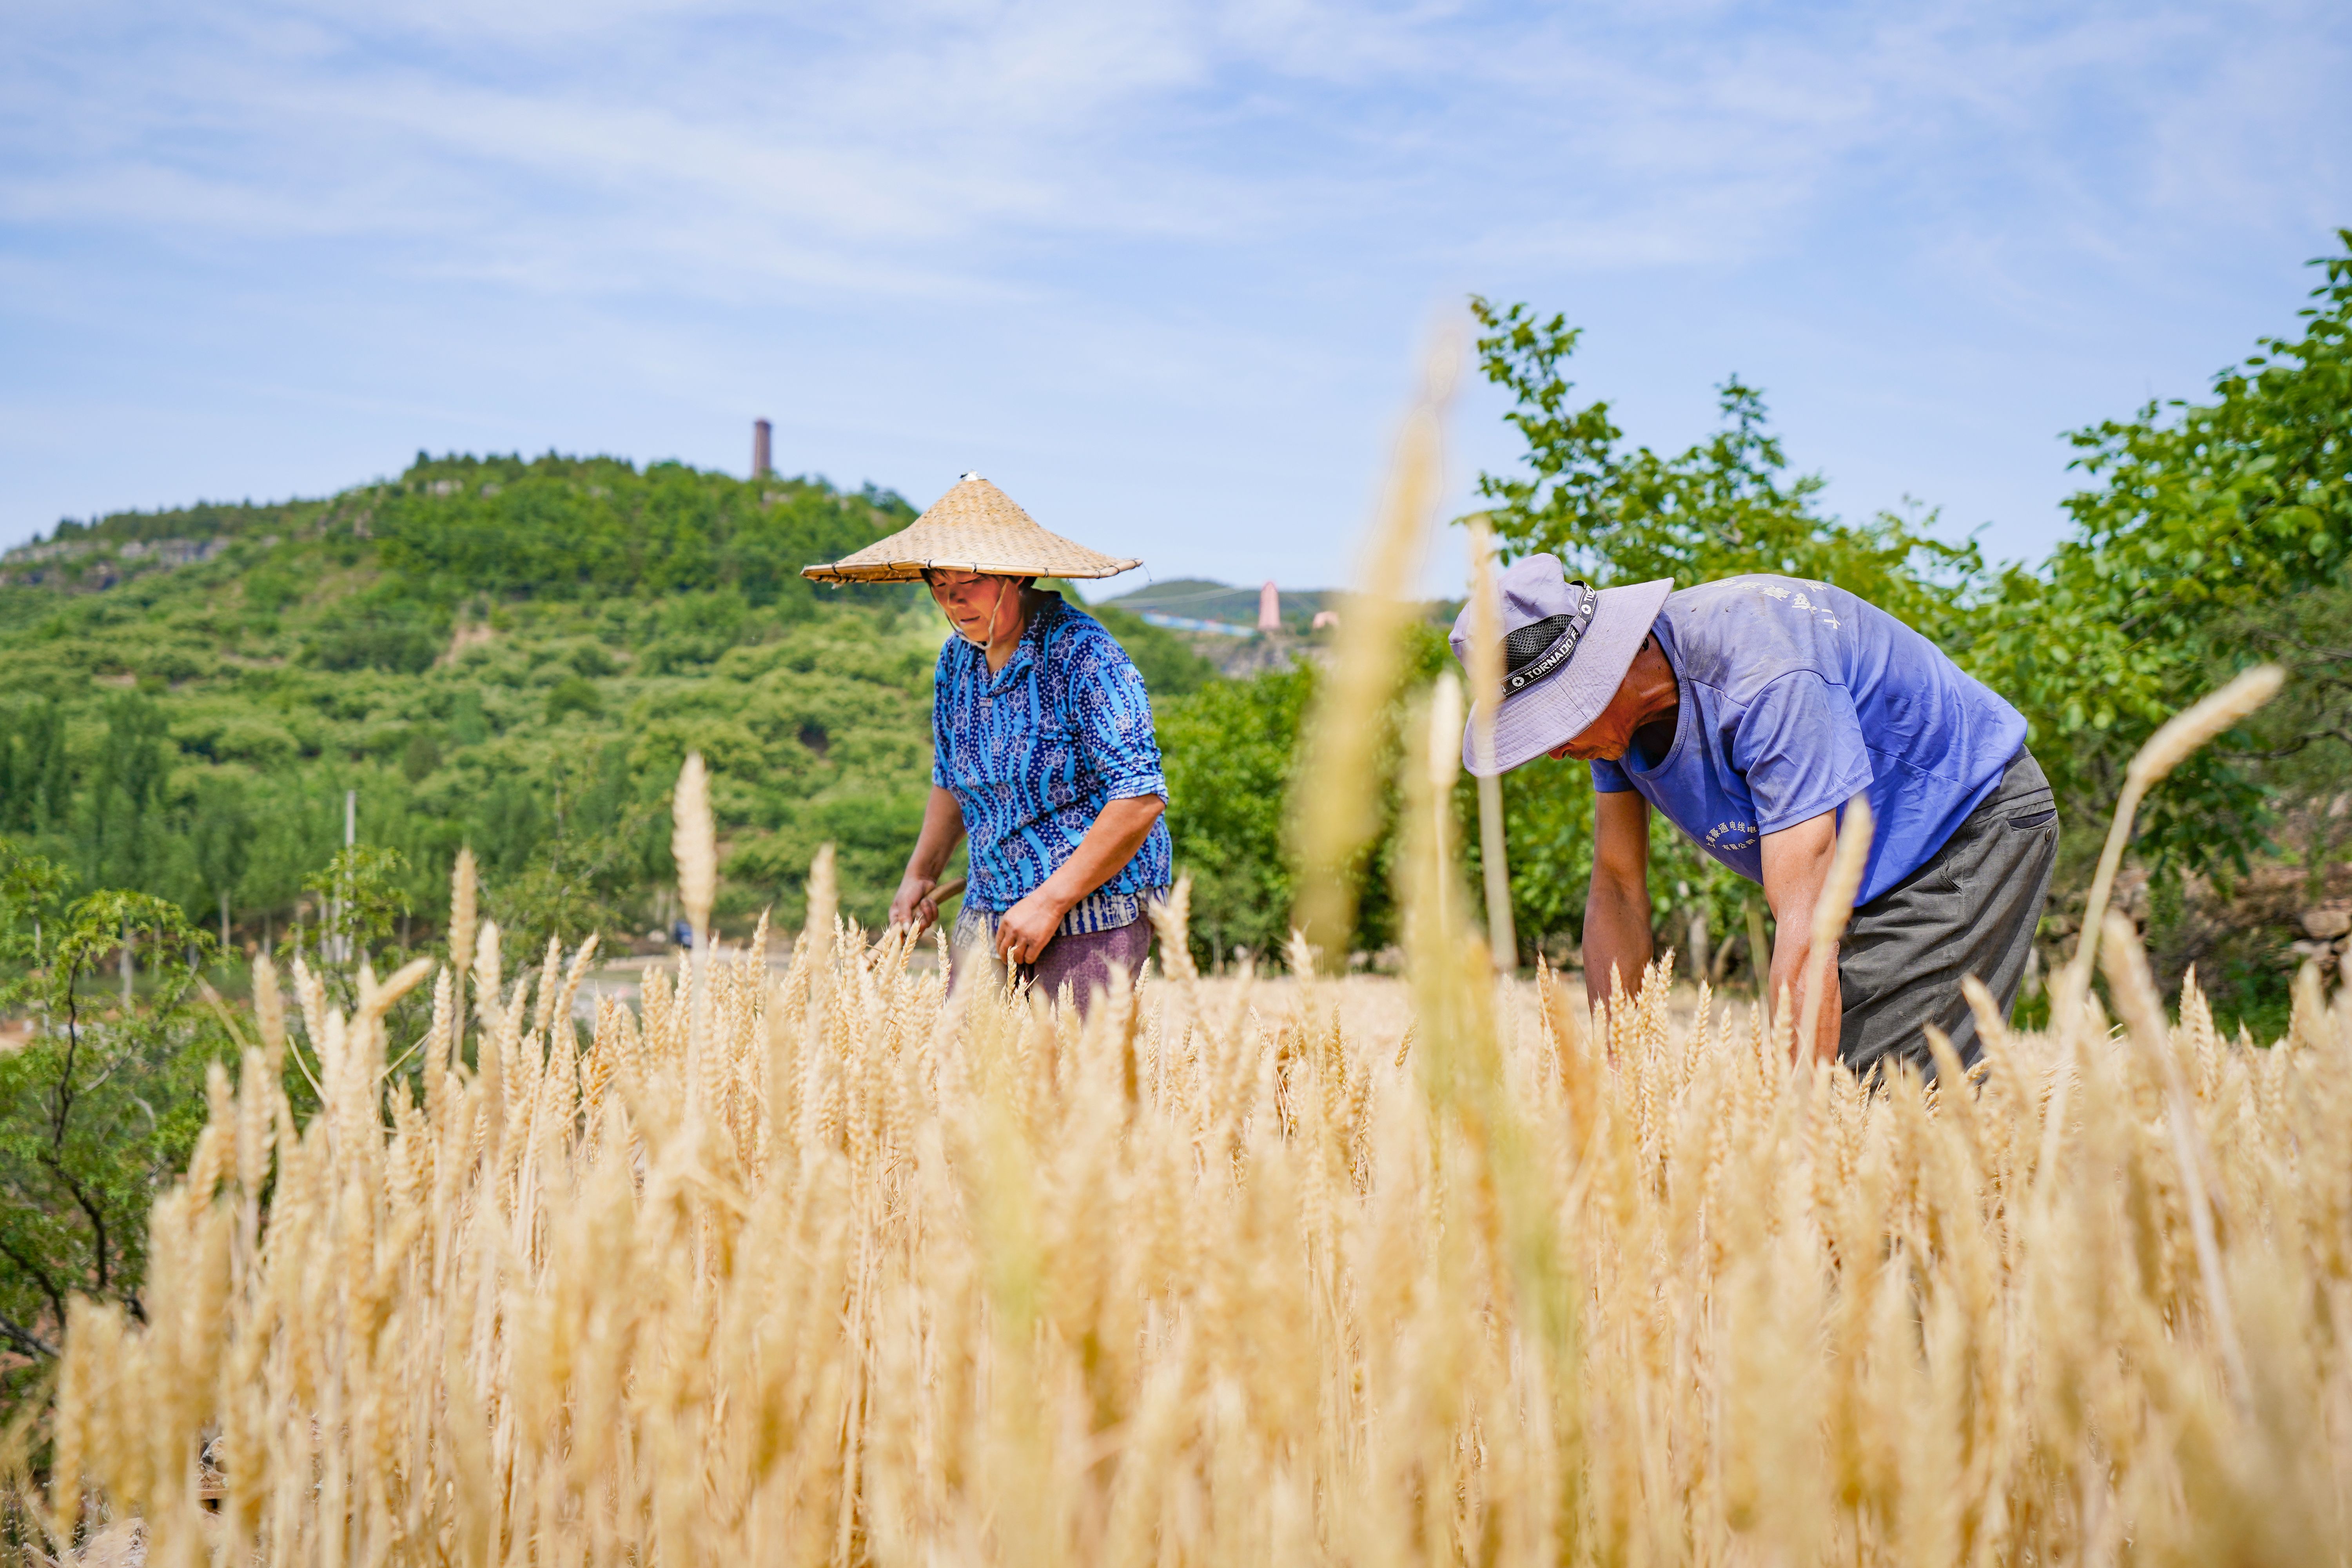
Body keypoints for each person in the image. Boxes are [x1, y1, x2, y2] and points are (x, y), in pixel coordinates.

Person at [1455, 554, 2058, 1078]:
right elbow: (1616, 888)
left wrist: (1794, 1138)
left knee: (1876, 1109)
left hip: (1963, 828)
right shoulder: (1615, 728)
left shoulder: (1766, 677)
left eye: (1558, 721)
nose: (1555, 749)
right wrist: (1621, 1083)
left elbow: (1806, 922)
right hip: (1865, 871)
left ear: (1612, 666)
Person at [802, 473, 1171, 1008]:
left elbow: (1139, 799)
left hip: (1092, 904)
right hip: (992, 895)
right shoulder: (957, 663)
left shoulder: (1085, 655)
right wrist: (918, 876)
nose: (953, 601)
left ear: (1015, 576)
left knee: (1074, 1080)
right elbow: (952, 780)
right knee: (962, 1069)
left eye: (968, 582)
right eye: (940, 586)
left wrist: (1050, 901)